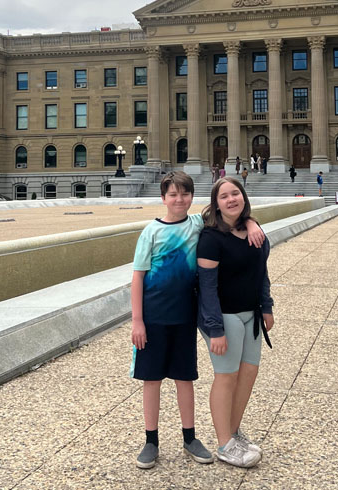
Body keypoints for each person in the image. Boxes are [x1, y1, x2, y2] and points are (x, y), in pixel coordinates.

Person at [130, 171, 265, 470]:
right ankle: (151, 440)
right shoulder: (150, 231)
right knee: (151, 379)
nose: (179, 200)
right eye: (173, 195)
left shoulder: (196, 225)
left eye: (185, 194)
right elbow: (137, 277)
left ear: (192, 197)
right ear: (163, 198)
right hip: (153, 317)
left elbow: (229, 218)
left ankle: (189, 437)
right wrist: (137, 320)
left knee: (184, 377)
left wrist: (252, 221)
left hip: (185, 316)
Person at [196, 177, 274, 468]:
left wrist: (266, 306)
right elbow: (207, 286)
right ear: (216, 204)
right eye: (224, 196)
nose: (231, 199)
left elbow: (260, 272)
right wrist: (215, 329)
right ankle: (224, 444)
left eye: (235, 193)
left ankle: (234, 431)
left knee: (248, 374)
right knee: (226, 377)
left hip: (251, 314)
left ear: (243, 197)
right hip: (224, 316)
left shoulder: (253, 232)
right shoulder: (210, 238)